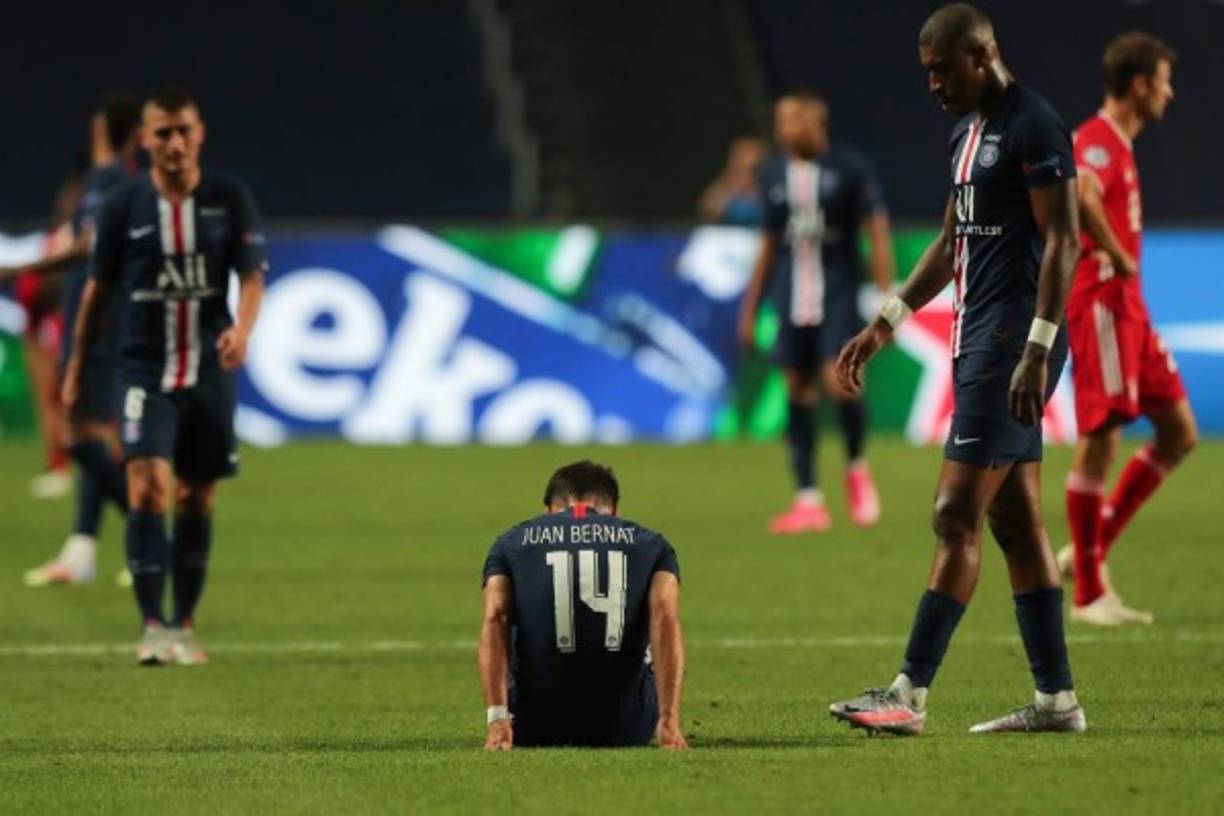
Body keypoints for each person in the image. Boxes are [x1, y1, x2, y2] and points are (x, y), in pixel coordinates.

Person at [828, 4, 1086, 735]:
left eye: (943, 69)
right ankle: (1056, 701)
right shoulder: (965, 134)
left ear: (982, 54)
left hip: (1012, 346)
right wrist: (885, 323)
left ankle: (908, 694)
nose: (933, 84)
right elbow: (950, 243)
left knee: (953, 513)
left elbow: (1064, 241)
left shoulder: (1035, 127)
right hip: (978, 341)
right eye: (928, 72)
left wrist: (1037, 348)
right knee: (1016, 523)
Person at [61, 86, 267, 666]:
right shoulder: (122, 206)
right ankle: (153, 626)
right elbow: (97, 292)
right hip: (143, 367)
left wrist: (243, 329)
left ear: (199, 135)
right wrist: (75, 367)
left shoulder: (229, 199)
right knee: (146, 482)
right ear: (145, 140)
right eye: (163, 133)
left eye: (184, 131)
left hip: (207, 371)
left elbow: (252, 276)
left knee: (195, 495)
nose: (175, 143)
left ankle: (184, 624)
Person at [1058, 33, 1194, 626]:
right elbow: (1081, 194)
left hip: (1130, 308)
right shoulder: (1096, 141)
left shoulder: (1118, 143)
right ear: (1140, 85)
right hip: (1103, 302)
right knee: (1102, 437)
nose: (1170, 92)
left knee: (1179, 432)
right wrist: (1116, 251)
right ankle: (1089, 593)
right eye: (1163, 81)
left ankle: (1087, 552)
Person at [737, 92, 895, 533]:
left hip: (837, 296)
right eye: (780, 120)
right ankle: (808, 499)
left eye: (792, 120)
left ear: (815, 123)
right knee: (797, 387)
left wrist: (886, 300)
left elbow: (876, 230)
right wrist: (750, 309)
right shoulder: (773, 174)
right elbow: (769, 246)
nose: (783, 129)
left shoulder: (850, 169)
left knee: (839, 382)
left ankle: (856, 468)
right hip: (790, 298)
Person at [16, 92, 143, 587]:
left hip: (103, 325)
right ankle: (82, 550)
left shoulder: (119, 184)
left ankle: (149, 535)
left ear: (104, 131)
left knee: (82, 432)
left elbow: (90, 248)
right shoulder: (97, 182)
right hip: (82, 320)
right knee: (84, 431)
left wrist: (19, 269)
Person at [478, 461, 687, 750]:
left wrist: (498, 719)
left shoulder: (509, 544)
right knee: (651, 625)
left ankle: (501, 724)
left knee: (512, 619)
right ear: (614, 510)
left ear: (549, 509)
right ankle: (667, 723)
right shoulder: (652, 545)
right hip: (626, 728)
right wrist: (668, 720)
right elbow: (664, 616)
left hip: (531, 727)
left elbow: (495, 617)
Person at [697, 136, 766, 226]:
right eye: (739, 168)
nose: (745, 175)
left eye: (754, 169)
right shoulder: (724, 186)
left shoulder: (767, 187)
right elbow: (707, 211)